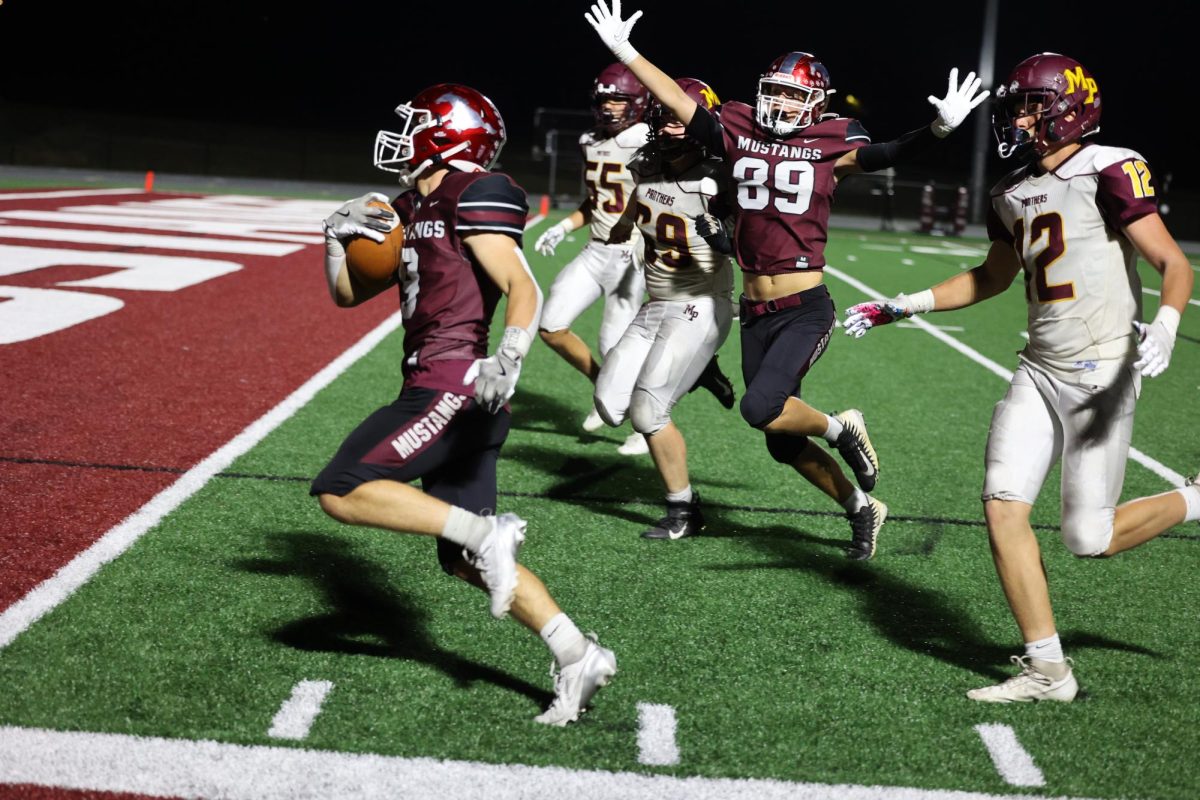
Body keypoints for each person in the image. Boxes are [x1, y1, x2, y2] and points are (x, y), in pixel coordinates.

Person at [842, 53, 1199, 701]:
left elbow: (1172, 262)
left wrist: (1170, 322)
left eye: (1033, 105)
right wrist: (901, 305)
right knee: (1003, 506)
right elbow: (991, 277)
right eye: (1018, 107)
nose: (1020, 118)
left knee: (1089, 537)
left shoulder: (1110, 167)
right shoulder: (1008, 192)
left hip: (1102, 369)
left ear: (1070, 107)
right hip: (1038, 368)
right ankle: (1048, 669)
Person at [585, 0, 989, 559]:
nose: (780, 102)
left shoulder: (830, 143)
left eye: (795, 95)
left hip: (804, 306)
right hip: (754, 310)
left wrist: (938, 131)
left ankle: (843, 427)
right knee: (780, 442)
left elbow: (886, 152)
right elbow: (681, 101)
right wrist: (627, 52)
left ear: (816, 103)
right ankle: (860, 508)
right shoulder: (737, 128)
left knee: (760, 408)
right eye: (774, 91)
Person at [313, 84, 615, 725]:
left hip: (459, 382)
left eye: (418, 123)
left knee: (343, 486)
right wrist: (337, 240)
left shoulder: (476, 190)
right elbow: (347, 295)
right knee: (461, 559)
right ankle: (575, 653)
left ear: (450, 133)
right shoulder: (403, 205)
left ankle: (489, 533)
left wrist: (508, 356)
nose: (404, 134)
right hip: (440, 385)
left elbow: (520, 285)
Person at [535, 63, 735, 456]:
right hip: (615, 254)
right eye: (604, 99)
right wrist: (572, 227)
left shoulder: (697, 164)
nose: (610, 108)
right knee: (564, 341)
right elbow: (607, 200)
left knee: (626, 359)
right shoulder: (615, 149)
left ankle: (654, 421)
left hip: (668, 276)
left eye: (618, 100)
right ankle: (629, 389)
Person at [592, 77, 735, 539]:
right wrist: (621, 230)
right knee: (609, 404)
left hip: (700, 303)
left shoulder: (722, 175)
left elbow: (754, 241)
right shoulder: (646, 163)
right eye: (668, 112)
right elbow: (640, 208)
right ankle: (701, 372)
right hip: (656, 303)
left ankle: (684, 510)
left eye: (684, 114)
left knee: (648, 413)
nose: (674, 121)